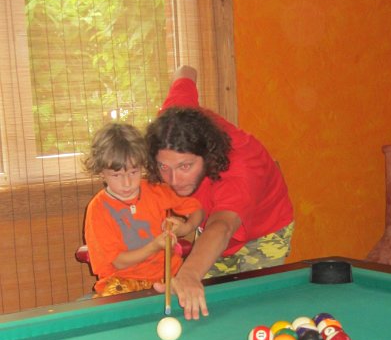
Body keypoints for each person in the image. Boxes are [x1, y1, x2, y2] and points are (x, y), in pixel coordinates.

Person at [145, 65, 294, 320]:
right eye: (164, 167)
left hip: (265, 230)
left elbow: (222, 226)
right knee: (205, 301)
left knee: (252, 309)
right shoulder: (172, 125)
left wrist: (189, 273)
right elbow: (185, 72)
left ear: (208, 155)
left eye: (185, 167)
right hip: (212, 227)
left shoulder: (239, 168)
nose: (173, 180)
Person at [83, 123, 203, 297]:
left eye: (133, 172)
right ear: (101, 172)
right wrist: (154, 246)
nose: (127, 183)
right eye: (116, 175)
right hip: (123, 282)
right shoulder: (98, 209)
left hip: (168, 276)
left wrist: (185, 228)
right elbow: (118, 262)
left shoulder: (156, 190)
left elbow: (197, 209)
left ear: (142, 166)